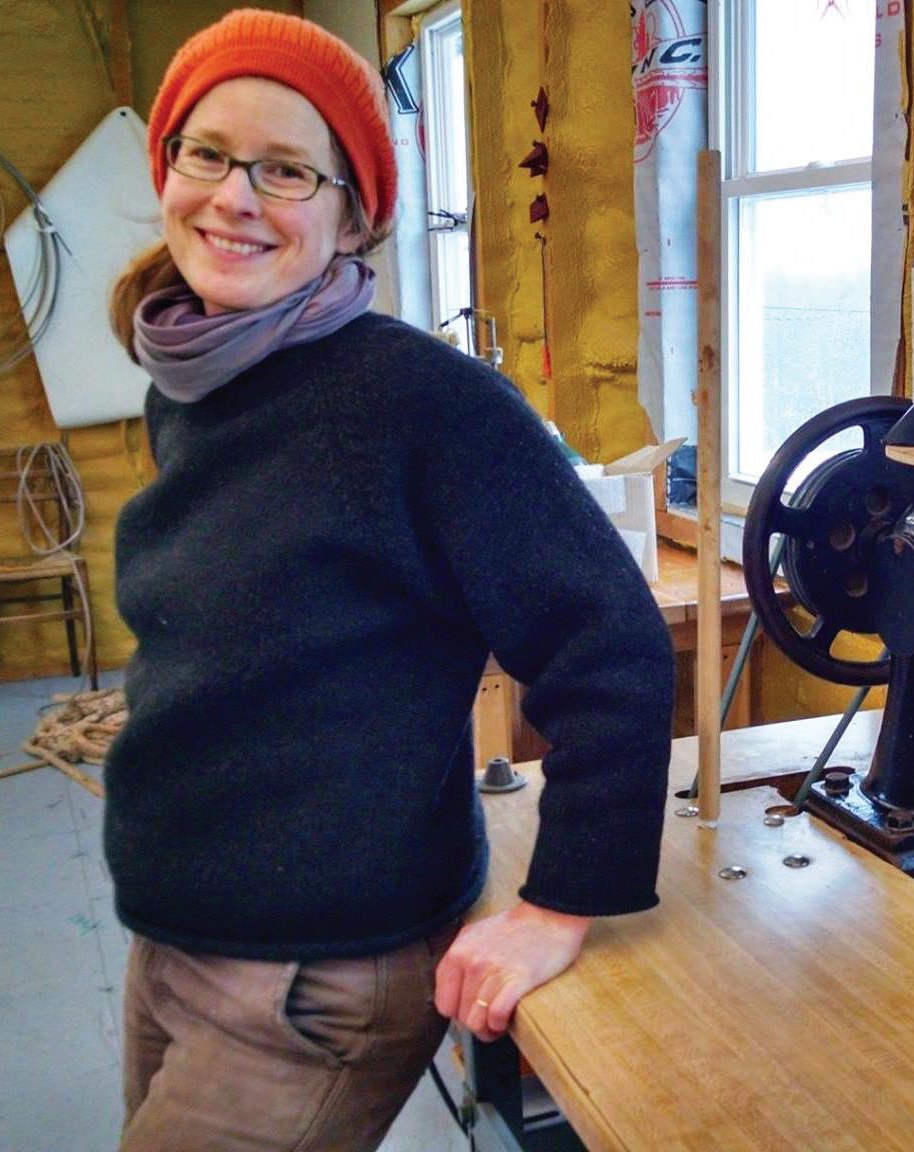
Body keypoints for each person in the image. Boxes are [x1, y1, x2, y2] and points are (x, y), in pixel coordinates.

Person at [104, 9, 675, 1150]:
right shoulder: (201, 374)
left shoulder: (425, 406)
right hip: (176, 934)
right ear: (167, 166)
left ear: (353, 213)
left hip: (310, 979)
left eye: (286, 169)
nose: (234, 197)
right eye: (208, 153)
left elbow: (610, 647)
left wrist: (562, 900)